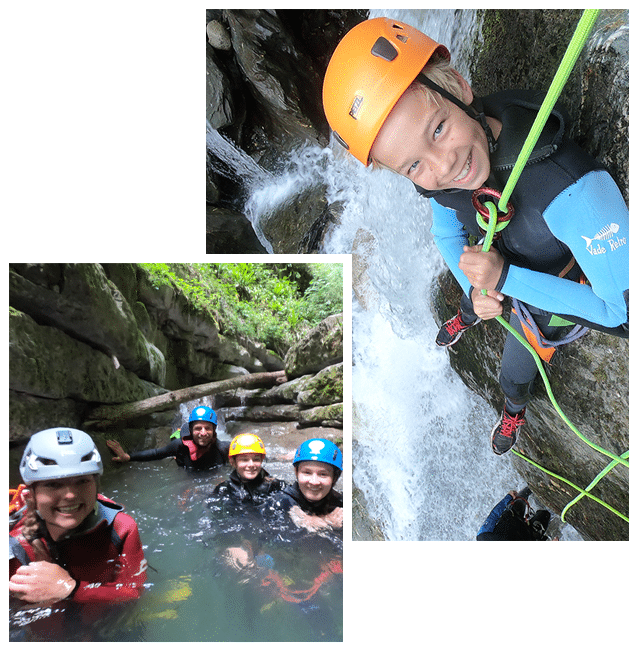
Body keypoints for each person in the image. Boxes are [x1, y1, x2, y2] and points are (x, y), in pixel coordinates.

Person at [322, 17, 629, 455]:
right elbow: (445, 227)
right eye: (413, 166)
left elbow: (622, 316)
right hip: (496, 266)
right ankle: (468, 312)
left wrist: (505, 281)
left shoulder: (571, 191)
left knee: (513, 368)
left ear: (461, 89)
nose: (443, 167)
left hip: (552, 286)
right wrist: (477, 285)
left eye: (438, 129)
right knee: (474, 293)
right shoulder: (440, 174)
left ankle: (513, 408)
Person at [9, 427, 147, 604]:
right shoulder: (14, 549)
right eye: (53, 484)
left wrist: (70, 589)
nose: (70, 495)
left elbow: (136, 592)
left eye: (82, 481)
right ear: (31, 496)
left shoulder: (121, 528)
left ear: (96, 487)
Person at [107, 405, 229, 471]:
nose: (203, 433)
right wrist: (128, 457)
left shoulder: (223, 448)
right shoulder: (179, 446)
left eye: (208, 428)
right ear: (191, 431)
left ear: (214, 431)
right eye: (198, 428)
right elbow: (156, 453)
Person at [262, 438, 343, 532]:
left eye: (323, 474)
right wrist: (326, 522)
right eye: (307, 473)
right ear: (296, 472)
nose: (314, 482)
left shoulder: (341, 504)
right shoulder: (279, 502)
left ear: (335, 477)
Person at [211, 433, 285, 504]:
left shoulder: (276, 486)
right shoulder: (223, 490)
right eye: (244, 460)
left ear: (261, 460)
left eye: (256, 460)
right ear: (233, 462)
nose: (251, 465)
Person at [476, 487, 551, 541]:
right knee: (546, 514)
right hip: (528, 536)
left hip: (513, 515)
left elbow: (494, 515)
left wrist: (508, 497)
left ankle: (533, 484)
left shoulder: (483, 537)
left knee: (524, 496)